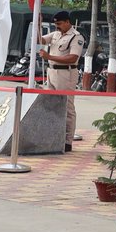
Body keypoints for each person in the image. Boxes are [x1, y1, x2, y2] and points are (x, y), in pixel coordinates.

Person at [38, 10, 85, 152]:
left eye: (59, 24)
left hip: (66, 73)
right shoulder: (56, 34)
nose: (57, 26)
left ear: (67, 22)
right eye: (55, 24)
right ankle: (53, 136)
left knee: (67, 106)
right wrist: (38, 24)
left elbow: (72, 57)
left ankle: (67, 140)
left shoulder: (76, 37)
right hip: (52, 72)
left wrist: (50, 57)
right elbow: (39, 40)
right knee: (50, 104)